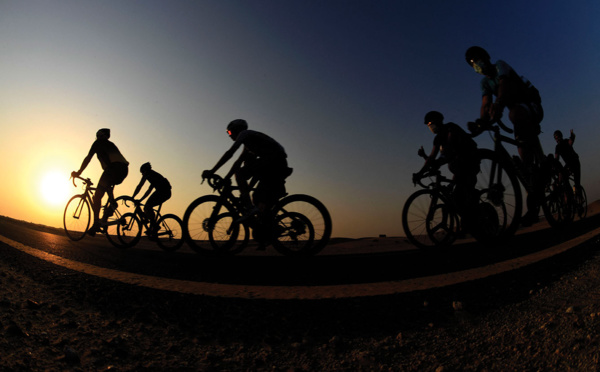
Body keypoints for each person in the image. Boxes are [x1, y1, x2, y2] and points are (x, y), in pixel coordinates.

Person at [465, 46, 544, 226]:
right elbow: (485, 104)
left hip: (531, 105)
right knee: (526, 170)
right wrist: (480, 123)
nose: (476, 65)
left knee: (514, 114)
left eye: (478, 60)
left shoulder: (500, 65)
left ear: (486, 57)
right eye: (472, 64)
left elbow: (504, 86)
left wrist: (499, 104)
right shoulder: (484, 83)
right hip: (517, 113)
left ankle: (537, 168)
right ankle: (533, 206)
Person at [202, 119, 291, 247]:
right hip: (276, 164)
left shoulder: (245, 134)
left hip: (275, 162)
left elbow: (230, 154)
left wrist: (212, 171)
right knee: (257, 199)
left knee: (240, 175)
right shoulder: (249, 144)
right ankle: (268, 231)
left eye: (229, 131)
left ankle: (249, 209)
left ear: (238, 129)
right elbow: (238, 162)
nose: (229, 134)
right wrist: (227, 178)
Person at [414, 111, 481, 232]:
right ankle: (465, 220)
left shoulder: (451, 128)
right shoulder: (438, 139)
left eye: (431, 124)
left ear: (438, 122)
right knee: (453, 197)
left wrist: (434, 164)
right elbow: (432, 157)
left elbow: (448, 151)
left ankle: (471, 219)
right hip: (458, 170)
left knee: (461, 195)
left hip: (469, 164)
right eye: (429, 125)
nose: (431, 127)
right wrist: (420, 173)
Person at [72, 128, 129, 236]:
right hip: (123, 170)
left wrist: (79, 172)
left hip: (112, 169)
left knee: (97, 196)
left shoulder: (98, 143)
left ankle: (96, 224)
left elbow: (88, 158)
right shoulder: (110, 144)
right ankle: (111, 206)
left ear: (99, 135)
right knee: (107, 187)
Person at [131, 162, 172, 234]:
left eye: (142, 172)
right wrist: (139, 199)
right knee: (148, 207)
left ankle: (155, 226)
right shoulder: (152, 174)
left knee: (147, 207)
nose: (142, 174)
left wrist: (133, 197)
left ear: (145, 171)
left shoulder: (149, 175)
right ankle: (152, 227)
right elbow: (148, 190)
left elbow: (140, 186)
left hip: (162, 192)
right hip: (165, 192)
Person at [554, 129, 581, 194]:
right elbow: (556, 158)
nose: (557, 140)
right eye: (556, 138)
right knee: (565, 177)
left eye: (557, 138)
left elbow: (571, 142)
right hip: (570, 164)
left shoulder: (565, 142)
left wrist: (572, 135)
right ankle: (571, 193)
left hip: (574, 163)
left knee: (576, 182)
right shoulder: (558, 147)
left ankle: (578, 194)